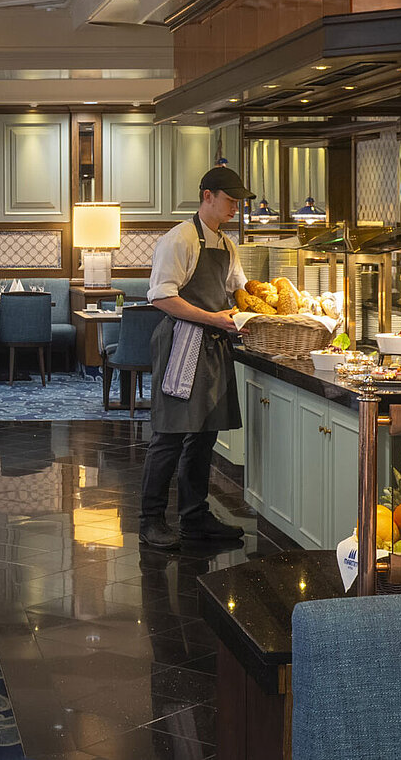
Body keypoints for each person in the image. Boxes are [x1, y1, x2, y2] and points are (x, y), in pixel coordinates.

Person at [138, 165, 252, 549]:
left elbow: (239, 289)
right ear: (208, 196)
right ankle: (150, 520)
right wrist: (213, 319)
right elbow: (162, 296)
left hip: (214, 346)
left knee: (205, 434)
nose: (235, 208)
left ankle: (194, 516)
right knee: (169, 435)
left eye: (238, 202)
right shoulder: (180, 239)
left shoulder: (226, 243)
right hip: (182, 344)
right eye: (231, 201)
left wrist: (258, 311)